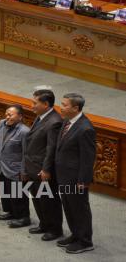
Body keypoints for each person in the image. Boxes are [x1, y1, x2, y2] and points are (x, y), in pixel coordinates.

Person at [20, 89, 63, 241]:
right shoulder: (41, 117)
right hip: (32, 167)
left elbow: (51, 149)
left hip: (42, 170)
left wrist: (46, 169)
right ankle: (44, 224)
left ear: (46, 104)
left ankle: (55, 229)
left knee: (48, 200)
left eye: (35, 103)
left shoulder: (54, 122)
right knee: (37, 198)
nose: (31, 106)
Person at [55, 93, 95, 254]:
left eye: (64, 105)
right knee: (69, 206)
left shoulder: (86, 128)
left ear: (75, 108)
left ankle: (85, 241)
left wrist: (83, 180)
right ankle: (75, 234)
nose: (61, 107)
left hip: (75, 179)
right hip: (63, 175)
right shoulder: (67, 121)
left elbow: (88, 157)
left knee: (79, 208)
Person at [0, 105, 30, 225]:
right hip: (0, 165)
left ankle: (23, 218)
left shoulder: (24, 131)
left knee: (18, 194)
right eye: (6, 114)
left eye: (11, 115)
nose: (7, 117)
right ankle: (10, 212)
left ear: (20, 117)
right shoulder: (2, 123)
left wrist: (24, 171)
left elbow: (26, 154)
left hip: (15, 168)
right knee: (5, 191)